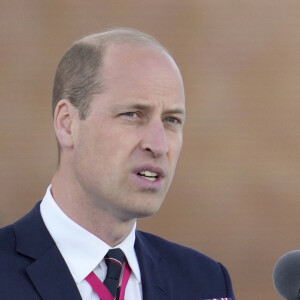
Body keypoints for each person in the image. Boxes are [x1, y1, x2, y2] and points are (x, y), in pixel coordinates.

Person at [0, 28, 235, 300]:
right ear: (67, 123)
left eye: (171, 120)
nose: (159, 145)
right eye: (133, 114)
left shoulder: (205, 282)